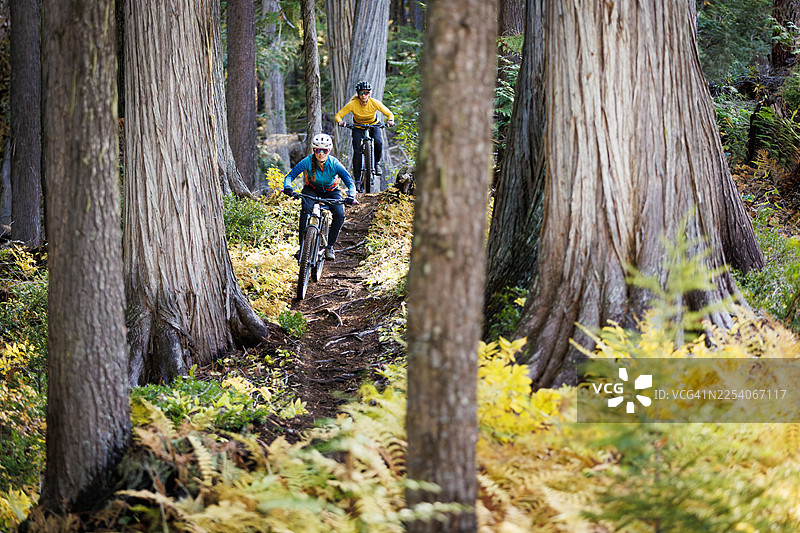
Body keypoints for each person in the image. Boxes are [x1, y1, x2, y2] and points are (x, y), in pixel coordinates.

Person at [282, 133, 356, 261]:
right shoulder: (308, 161)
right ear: (314, 150)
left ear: (329, 151)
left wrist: (351, 195)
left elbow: (350, 182)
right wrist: (288, 187)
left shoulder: (335, 164)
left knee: (339, 215)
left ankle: (329, 246)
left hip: (331, 191)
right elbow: (290, 176)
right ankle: (302, 247)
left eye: (325, 150)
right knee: (305, 211)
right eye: (317, 150)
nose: (321, 153)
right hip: (312, 189)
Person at [334, 81, 395, 187]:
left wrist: (390, 120)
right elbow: (338, 115)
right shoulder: (352, 104)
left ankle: (376, 163)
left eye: (366, 93)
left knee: (378, 142)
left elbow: (389, 113)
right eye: (361, 93)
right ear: (358, 93)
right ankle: (357, 180)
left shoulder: (374, 102)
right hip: (358, 127)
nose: (363, 95)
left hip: (373, 125)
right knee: (357, 151)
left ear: (369, 93)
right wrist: (341, 122)